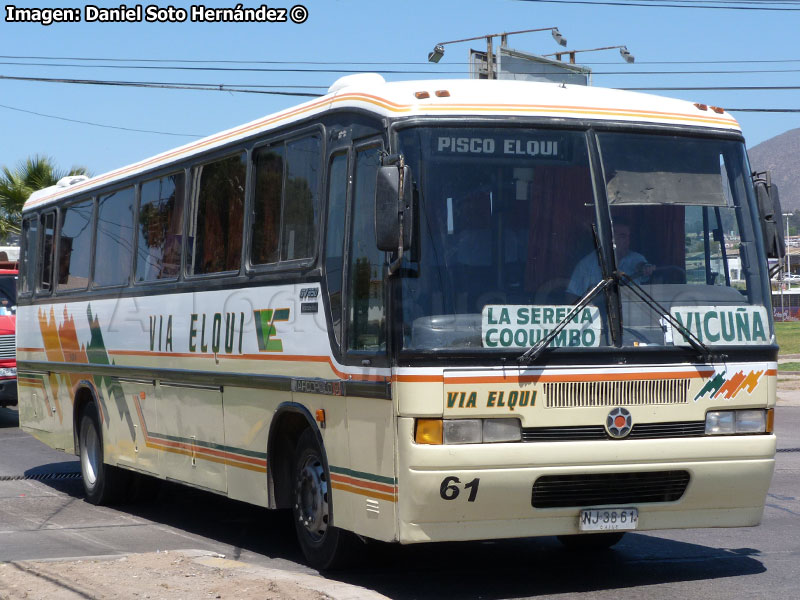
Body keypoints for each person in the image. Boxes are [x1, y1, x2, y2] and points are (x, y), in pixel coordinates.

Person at [566, 220, 654, 298]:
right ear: (609, 238)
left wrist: (645, 267)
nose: (628, 241)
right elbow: (572, 296)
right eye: (622, 236)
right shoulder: (586, 265)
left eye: (628, 236)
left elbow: (641, 266)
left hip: (632, 313)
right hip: (598, 314)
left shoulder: (636, 258)